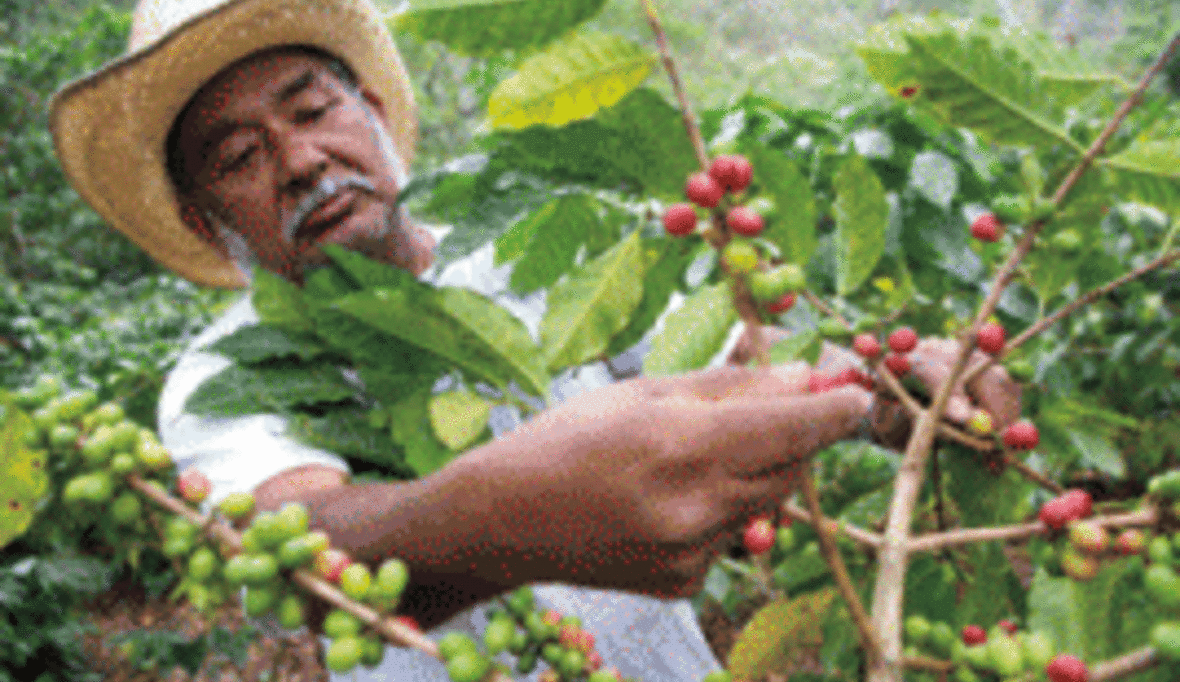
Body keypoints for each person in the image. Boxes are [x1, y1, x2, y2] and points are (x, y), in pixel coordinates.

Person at [48, 0, 1022, 679]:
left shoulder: (530, 236)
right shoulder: (224, 376)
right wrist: (510, 511)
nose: (301, 160)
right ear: (199, 213)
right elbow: (301, 549)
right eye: (238, 158)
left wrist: (876, 386)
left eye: (312, 112)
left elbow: (730, 374)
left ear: (375, 115)